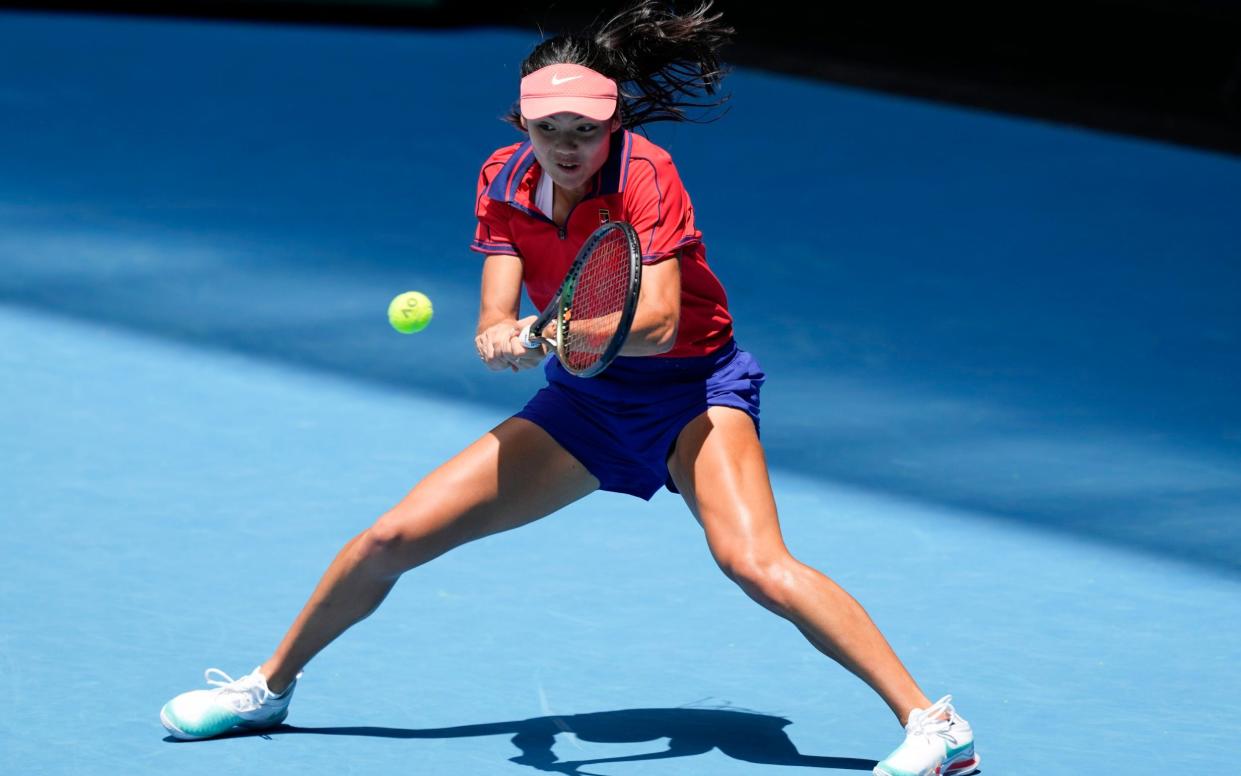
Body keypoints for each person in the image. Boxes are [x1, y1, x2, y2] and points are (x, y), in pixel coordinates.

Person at [158, 3, 979, 775]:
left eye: (584, 130)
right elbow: (494, 309)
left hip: (690, 394)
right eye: (549, 129)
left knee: (754, 564)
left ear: (611, 123)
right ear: (522, 125)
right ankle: (266, 691)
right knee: (390, 540)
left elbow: (655, 323)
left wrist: (546, 333)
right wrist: (499, 337)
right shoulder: (503, 178)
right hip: (583, 407)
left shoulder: (648, 174)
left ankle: (932, 726)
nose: (567, 145)